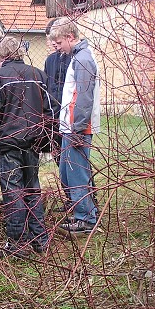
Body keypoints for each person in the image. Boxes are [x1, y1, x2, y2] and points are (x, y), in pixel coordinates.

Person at [0, 36, 55, 257]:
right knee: (32, 189)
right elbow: (49, 111)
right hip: (32, 143)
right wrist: (46, 139)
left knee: (13, 193)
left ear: (1, 55)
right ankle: (40, 241)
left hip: (9, 143)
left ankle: (18, 245)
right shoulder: (38, 75)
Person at [48, 18, 101, 234]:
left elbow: (84, 98)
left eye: (59, 42)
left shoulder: (83, 60)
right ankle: (83, 213)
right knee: (67, 173)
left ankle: (86, 220)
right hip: (70, 127)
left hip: (78, 128)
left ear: (70, 37)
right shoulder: (77, 57)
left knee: (77, 173)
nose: (57, 47)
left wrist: (78, 128)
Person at [44, 18, 72, 166]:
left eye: (56, 39)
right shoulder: (50, 60)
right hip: (53, 117)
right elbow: (48, 89)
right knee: (59, 159)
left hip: (70, 117)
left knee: (74, 161)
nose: (54, 43)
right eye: (51, 39)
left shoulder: (74, 57)